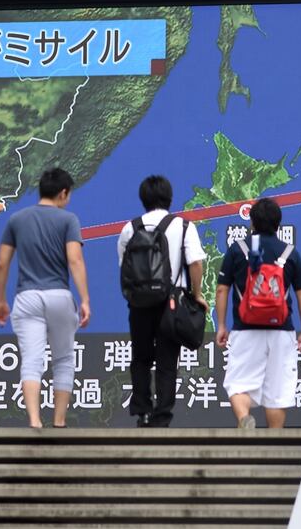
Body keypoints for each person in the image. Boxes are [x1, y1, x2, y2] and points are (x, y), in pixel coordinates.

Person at [0, 167, 91, 428]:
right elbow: (75, 259)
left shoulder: (17, 219)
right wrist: (84, 299)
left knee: (32, 361)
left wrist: (1, 300)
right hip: (59, 295)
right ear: (63, 193)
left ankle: (35, 421)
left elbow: (2, 263)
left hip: (27, 298)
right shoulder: (68, 220)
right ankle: (59, 422)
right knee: (63, 359)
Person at [117, 175, 208, 427]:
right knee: (168, 360)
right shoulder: (183, 226)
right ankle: (162, 417)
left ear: (143, 199)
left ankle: (142, 411)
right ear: (169, 198)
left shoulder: (130, 228)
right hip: (172, 302)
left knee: (141, 358)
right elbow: (196, 263)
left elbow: (124, 268)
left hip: (139, 304)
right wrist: (197, 296)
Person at [215, 197, 301, 429]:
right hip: (281, 331)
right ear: (278, 224)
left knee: (238, 386)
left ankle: (244, 419)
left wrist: (221, 325)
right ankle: (274, 444)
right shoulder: (290, 252)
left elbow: (222, 289)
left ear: (252, 222)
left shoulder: (238, 249)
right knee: (276, 394)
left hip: (245, 330)